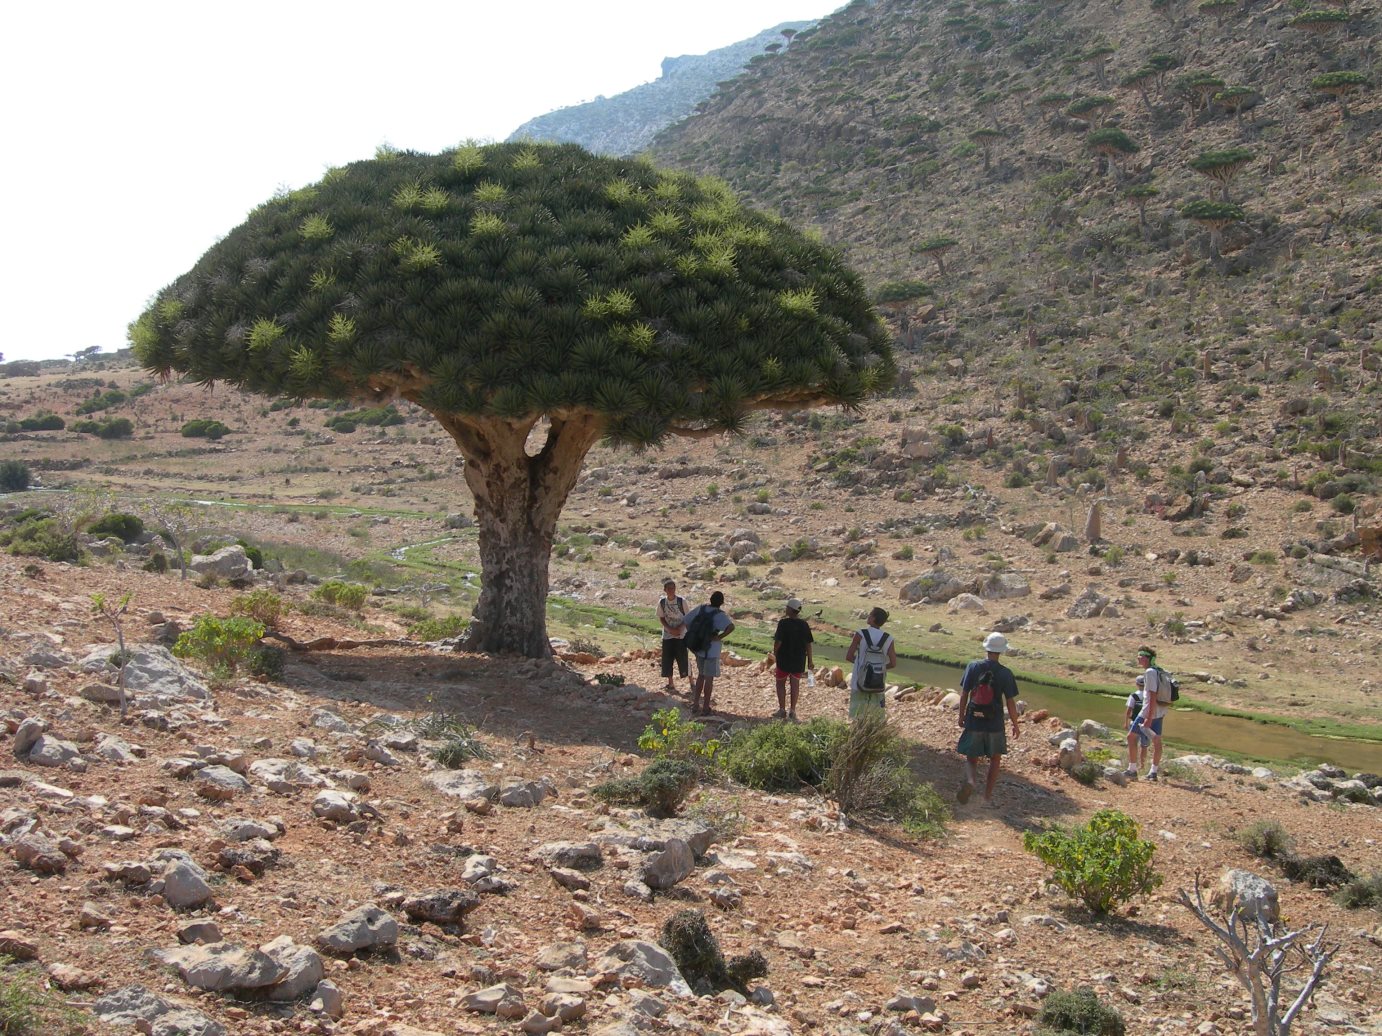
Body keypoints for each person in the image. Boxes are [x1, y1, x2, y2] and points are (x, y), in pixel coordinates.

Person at [956, 631, 1022, 808]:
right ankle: (987, 797)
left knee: (971, 758)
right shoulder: (1006, 673)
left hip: (974, 719)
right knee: (995, 759)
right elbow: (1010, 702)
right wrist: (1015, 724)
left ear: (986, 648)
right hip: (995, 723)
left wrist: (961, 715)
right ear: (1001, 651)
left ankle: (970, 781)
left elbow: (964, 694)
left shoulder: (973, 666)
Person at [685, 590, 734, 717]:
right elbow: (731, 627)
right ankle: (706, 707)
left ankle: (695, 703)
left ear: (710, 599)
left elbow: (686, 621)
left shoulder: (701, 609)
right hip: (712, 650)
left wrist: (695, 635)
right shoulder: (720, 615)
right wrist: (720, 637)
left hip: (699, 649)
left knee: (700, 676)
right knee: (709, 679)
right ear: (721, 602)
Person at [845, 607, 896, 718]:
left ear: (873, 619)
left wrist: (862, 665)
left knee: (857, 716)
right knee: (875, 717)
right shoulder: (889, 638)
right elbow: (893, 663)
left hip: (859, 682)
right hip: (878, 683)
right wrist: (879, 668)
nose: (868, 616)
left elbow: (849, 657)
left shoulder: (860, 634)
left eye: (870, 615)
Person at [1126, 646, 1168, 781]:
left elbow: (1152, 694)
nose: (1138, 658)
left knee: (1131, 737)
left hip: (1147, 712)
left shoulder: (1150, 672)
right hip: (1160, 712)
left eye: (1141, 656)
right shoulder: (1160, 670)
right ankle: (1153, 772)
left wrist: (1148, 717)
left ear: (1147, 658)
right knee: (1156, 740)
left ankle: (1132, 770)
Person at [771, 598, 814, 721]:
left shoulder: (783, 623)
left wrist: (775, 654)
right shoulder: (804, 625)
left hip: (784, 658)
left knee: (780, 683)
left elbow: (778, 642)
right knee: (795, 684)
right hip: (799, 660)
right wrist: (810, 660)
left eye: (787, 607)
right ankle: (793, 711)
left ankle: (782, 709)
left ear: (790, 609)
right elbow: (808, 644)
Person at [656, 580, 688, 693]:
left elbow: (687, 617)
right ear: (665, 590)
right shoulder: (662, 602)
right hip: (668, 634)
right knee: (667, 659)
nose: (671, 590)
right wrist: (670, 629)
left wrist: (680, 628)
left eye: (673, 588)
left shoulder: (681, 601)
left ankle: (691, 681)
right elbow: (661, 617)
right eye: (669, 588)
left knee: (683, 657)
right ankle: (670, 683)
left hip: (681, 634)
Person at [1123, 674, 1152, 779]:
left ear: (1136, 684)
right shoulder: (1149, 695)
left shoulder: (1134, 695)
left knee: (1133, 744)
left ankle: (1132, 765)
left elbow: (1128, 711)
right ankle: (1142, 765)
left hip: (1134, 722)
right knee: (1144, 746)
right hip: (1147, 724)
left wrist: (1126, 722)